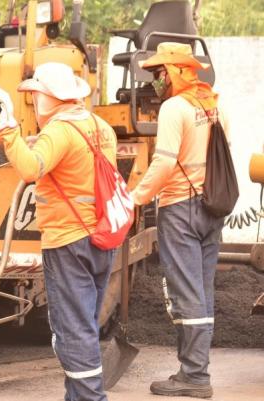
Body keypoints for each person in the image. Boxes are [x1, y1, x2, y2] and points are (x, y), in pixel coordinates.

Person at [0, 62, 117, 401]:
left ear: (50, 98)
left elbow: (30, 169)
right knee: (84, 326)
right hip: (101, 238)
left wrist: (10, 129)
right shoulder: (99, 126)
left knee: (73, 333)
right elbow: (76, 163)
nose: (33, 102)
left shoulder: (59, 132)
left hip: (68, 242)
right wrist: (35, 140)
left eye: (35, 95)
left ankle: (91, 398)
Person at [130, 42, 228, 399]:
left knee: (187, 294)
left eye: (158, 75)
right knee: (202, 292)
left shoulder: (174, 107)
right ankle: (196, 370)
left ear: (173, 72)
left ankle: (194, 376)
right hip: (211, 209)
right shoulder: (213, 105)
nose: (156, 83)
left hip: (180, 209)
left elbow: (165, 162)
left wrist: (134, 198)